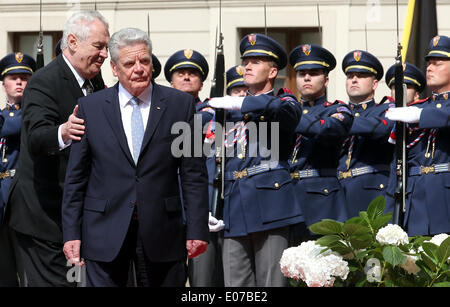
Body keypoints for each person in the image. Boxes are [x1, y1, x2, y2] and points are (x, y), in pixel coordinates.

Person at [62, 27, 209, 287]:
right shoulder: (91, 108)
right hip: (103, 230)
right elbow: (76, 178)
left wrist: (197, 228)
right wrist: (71, 233)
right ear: (114, 68)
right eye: (129, 63)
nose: (139, 68)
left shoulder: (180, 105)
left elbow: (193, 174)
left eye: (144, 61)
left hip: (162, 230)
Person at [6, 10, 110, 287]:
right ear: (73, 42)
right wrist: (63, 131)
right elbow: (37, 137)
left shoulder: (95, 81)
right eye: (99, 47)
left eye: (107, 48)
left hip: (77, 217)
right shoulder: (43, 81)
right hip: (42, 217)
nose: (104, 55)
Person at [208, 33, 303, 287]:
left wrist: (242, 103)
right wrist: (208, 204)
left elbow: (287, 113)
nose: (247, 66)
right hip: (233, 205)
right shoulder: (226, 110)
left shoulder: (283, 100)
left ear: (273, 71)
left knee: (271, 282)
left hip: (271, 204)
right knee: (235, 284)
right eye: (246, 61)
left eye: (256, 61)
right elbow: (209, 157)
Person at [287, 44, 353, 244]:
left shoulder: (338, 109)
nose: (306, 78)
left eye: (313, 73)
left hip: (321, 200)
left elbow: (328, 128)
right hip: (288, 196)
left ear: (325, 80)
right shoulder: (287, 110)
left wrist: (286, 117)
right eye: (301, 73)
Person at [385, 35, 450, 236]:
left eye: (437, 64)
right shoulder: (416, 108)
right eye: (429, 63)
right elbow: (399, 163)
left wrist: (421, 115)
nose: (429, 68)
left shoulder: (419, 112)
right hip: (416, 200)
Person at [164, 48, 216, 286]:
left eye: (192, 74)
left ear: (202, 83)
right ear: (170, 82)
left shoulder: (211, 113)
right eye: (180, 73)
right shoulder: (158, 112)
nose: (186, 77)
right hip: (167, 204)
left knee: (201, 281)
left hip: (200, 204)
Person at [337, 50, 394, 218]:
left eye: (361, 76)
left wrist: (336, 124)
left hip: (372, 192)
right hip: (338, 191)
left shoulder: (386, 109)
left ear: (375, 84)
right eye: (350, 76)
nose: (354, 80)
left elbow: (381, 128)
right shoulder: (336, 110)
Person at [0, 52, 35, 286]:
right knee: (5, 272)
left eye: (24, 77)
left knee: (30, 273)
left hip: (26, 201)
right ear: (4, 84)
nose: (20, 82)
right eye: (13, 78)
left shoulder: (34, 115)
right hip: (2, 203)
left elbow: (13, 126)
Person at [383, 62, 426, 215]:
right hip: (393, 185)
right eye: (395, 87)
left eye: (405, 86)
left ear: (416, 94)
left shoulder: (423, 116)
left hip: (417, 186)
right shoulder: (387, 114)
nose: (399, 91)